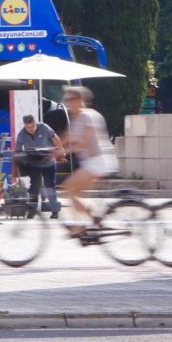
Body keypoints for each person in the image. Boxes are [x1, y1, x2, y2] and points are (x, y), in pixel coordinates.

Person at [60, 86, 117, 235]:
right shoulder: (76, 117)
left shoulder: (89, 116)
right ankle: (95, 218)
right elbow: (67, 137)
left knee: (69, 187)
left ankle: (81, 225)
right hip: (90, 162)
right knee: (75, 193)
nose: (68, 103)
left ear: (80, 100)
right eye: (66, 100)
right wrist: (52, 149)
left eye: (71, 99)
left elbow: (84, 142)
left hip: (98, 161)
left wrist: (63, 151)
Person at [14, 114, 65, 219]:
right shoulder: (21, 135)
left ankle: (54, 211)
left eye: (32, 127)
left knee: (50, 186)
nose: (31, 129)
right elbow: (17, 153)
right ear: (24, 125)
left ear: (35, 123)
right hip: (34, 164)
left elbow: (55, 138)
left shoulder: (44, 127)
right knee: (34, 188)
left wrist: (61, 150)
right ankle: (32, 211)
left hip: (48, 163)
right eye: (28, 128)